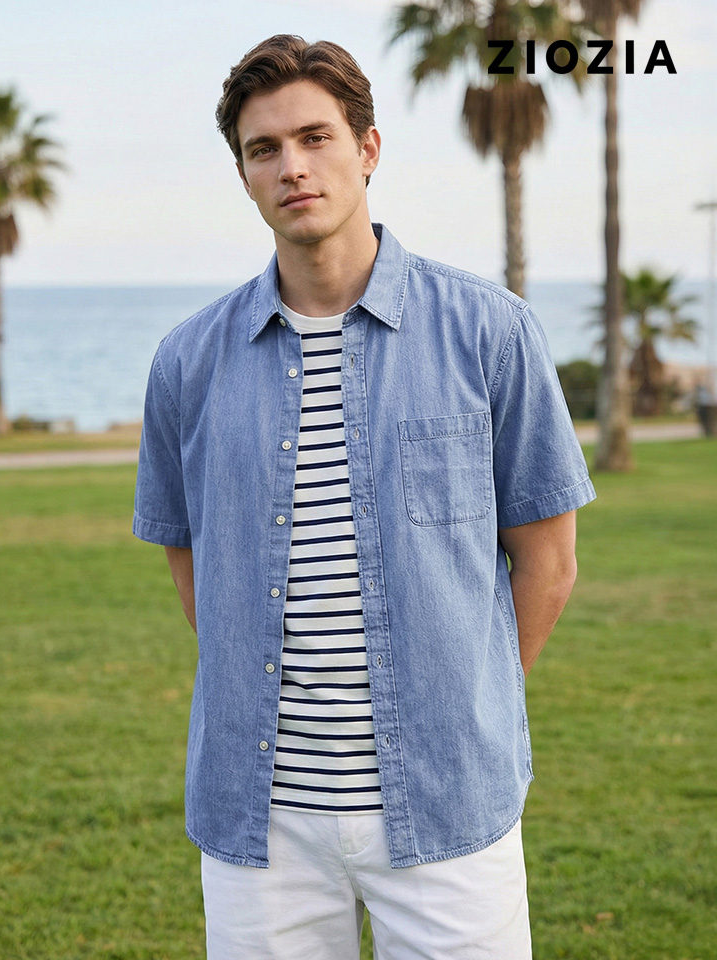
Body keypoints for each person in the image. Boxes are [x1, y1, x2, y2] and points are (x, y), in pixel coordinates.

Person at [133, 33, 596, 960]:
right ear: (243, 174)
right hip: (260, 825)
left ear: (368, 148)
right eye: (264, 149)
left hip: (449, 806)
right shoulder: (187, 362)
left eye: (315, 138)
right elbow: (194, 565)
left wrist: (460, 710)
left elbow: (548, 562)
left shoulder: (490, 332)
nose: (292, 167)